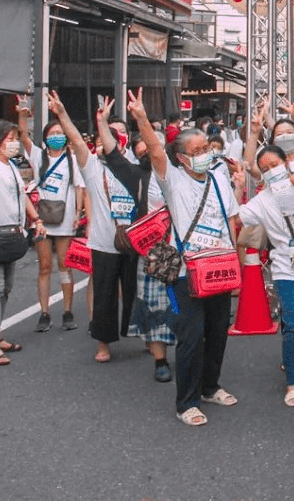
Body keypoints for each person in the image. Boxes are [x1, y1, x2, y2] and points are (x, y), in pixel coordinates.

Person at [129, 90, 240, 426]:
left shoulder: (220, 177)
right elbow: (157, 151)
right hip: (185, 271)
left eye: (206, 148)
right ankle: (187, 403)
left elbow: (230, 220)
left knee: (219, 330)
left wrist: (236, 260)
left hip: (220, 265)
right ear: (181, 159)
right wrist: (142, 118)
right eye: (196, 152)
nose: (204, 155)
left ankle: (210, 386)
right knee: (191, 335)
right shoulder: (172, 181)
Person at [238, 143, 294, 408]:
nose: (271, 171)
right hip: (285, 265)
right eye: (265, 169)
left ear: (287, 163)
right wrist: (236, 186)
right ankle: (292, 381)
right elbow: (236, 217)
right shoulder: (260, 202)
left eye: (275, 165)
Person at [48, 93, 137, 363]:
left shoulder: (136, 167)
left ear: (127, 140)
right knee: (104, 296)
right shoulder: (92, 167)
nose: (112, 138)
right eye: (107, 134)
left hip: (135, 243)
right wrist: (62, 114)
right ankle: (103, 343)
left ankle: (145, 336)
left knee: (138, 293)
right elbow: (75, 140)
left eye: (119, 133)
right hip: (103, 243)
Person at [100, 110, 174, 383]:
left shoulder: (182, 173)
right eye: (141, 142)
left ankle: (192, 351)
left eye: (153, 140)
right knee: (155, 304)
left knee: (187, 304)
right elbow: (112, 156)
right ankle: (160, 360)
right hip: (154, 251)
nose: (148, 145)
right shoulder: (137, 175)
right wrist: (100, 123)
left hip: (185, 247)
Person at [0, 117, 45, 365]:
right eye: (10, 139)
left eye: (15, 139)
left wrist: (36, 219)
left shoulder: (11, 166)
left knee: (6, 288)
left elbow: (21, 195)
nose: (14, 144)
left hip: (12, 236)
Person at [20, 100, 87, 333]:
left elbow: (79, 187)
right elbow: (23, 138)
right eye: (53, 132)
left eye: (60, 132)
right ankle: (45, 312)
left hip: (66, 219)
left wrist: (78, 214)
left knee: (64, 265)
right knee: (45, 267)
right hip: (41, 221)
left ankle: (67, 310)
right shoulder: (39, 157)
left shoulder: (72, 159)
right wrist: (21, 113)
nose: (57, 136)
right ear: (46, 136)